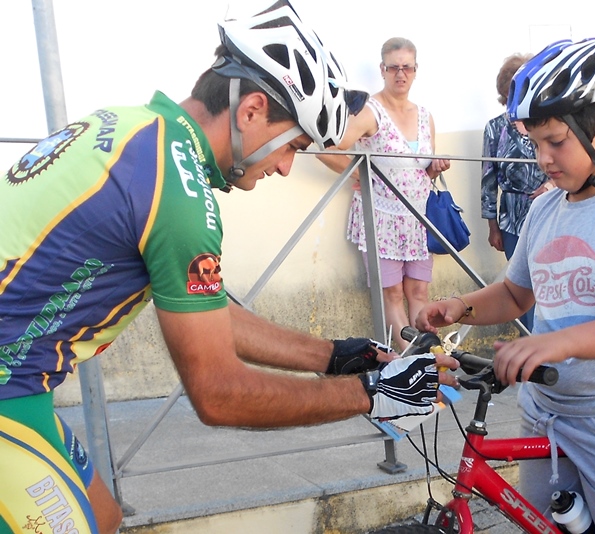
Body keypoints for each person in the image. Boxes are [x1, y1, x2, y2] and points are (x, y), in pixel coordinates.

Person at [0, 4, 458, 534]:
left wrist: (332, 356)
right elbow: (218, 394)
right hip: (9, 384)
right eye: (293, 145)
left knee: (102, 517)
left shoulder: (136, 129)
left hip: (21, 380)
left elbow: (209, 311)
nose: (287, 166)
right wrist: (372, 394)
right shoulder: (181, 196)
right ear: (252, 110)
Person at [415, 37, 595, 533]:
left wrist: (555, 342)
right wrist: (459, 305)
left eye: (555, 141)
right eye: (534, 142)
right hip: (548, 415)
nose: (542, 157)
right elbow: (517, 294)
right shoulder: (544, 208)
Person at [317, 37, 450, 350]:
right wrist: (357, 175)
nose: (400, 74)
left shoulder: (424, 115)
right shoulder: (369, 112)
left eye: (407, 67)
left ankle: (427, 358)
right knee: (391, 294)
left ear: (416, 70)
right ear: (383, 69)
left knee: (419, 292)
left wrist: (435, 168)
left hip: (418, 218)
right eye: (393, 67)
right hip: (382, 217)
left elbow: (421, 169)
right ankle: (409, 363)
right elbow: (328, 147)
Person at [481, 53, 552, 332]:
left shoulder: (547, 123)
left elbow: (569, 163)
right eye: (513, 91)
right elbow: (488, 178)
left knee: (546, 283)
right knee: (521, 289)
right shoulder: (495, 128)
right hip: (511, 217)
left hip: (548, 212)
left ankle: (546, 346)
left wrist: (551, 186)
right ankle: (530, 344)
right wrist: (492, 225)